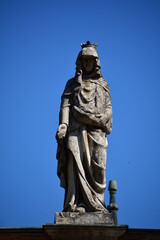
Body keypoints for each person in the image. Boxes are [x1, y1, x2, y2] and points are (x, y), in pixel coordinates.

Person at [56, 41, 112, 213]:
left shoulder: (103, 84)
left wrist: (103, 117)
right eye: (84, 60)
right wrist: (64, 125)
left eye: (90, 60)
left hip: (96, 131)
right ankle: (76, 202)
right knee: (76, 164)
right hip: (76, 129)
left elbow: (108, 107)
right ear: (80, 62)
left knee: (98, 165)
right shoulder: (72, 84)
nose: (87, 63)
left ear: (96, 63)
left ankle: (97, 203)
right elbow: (65, 105)